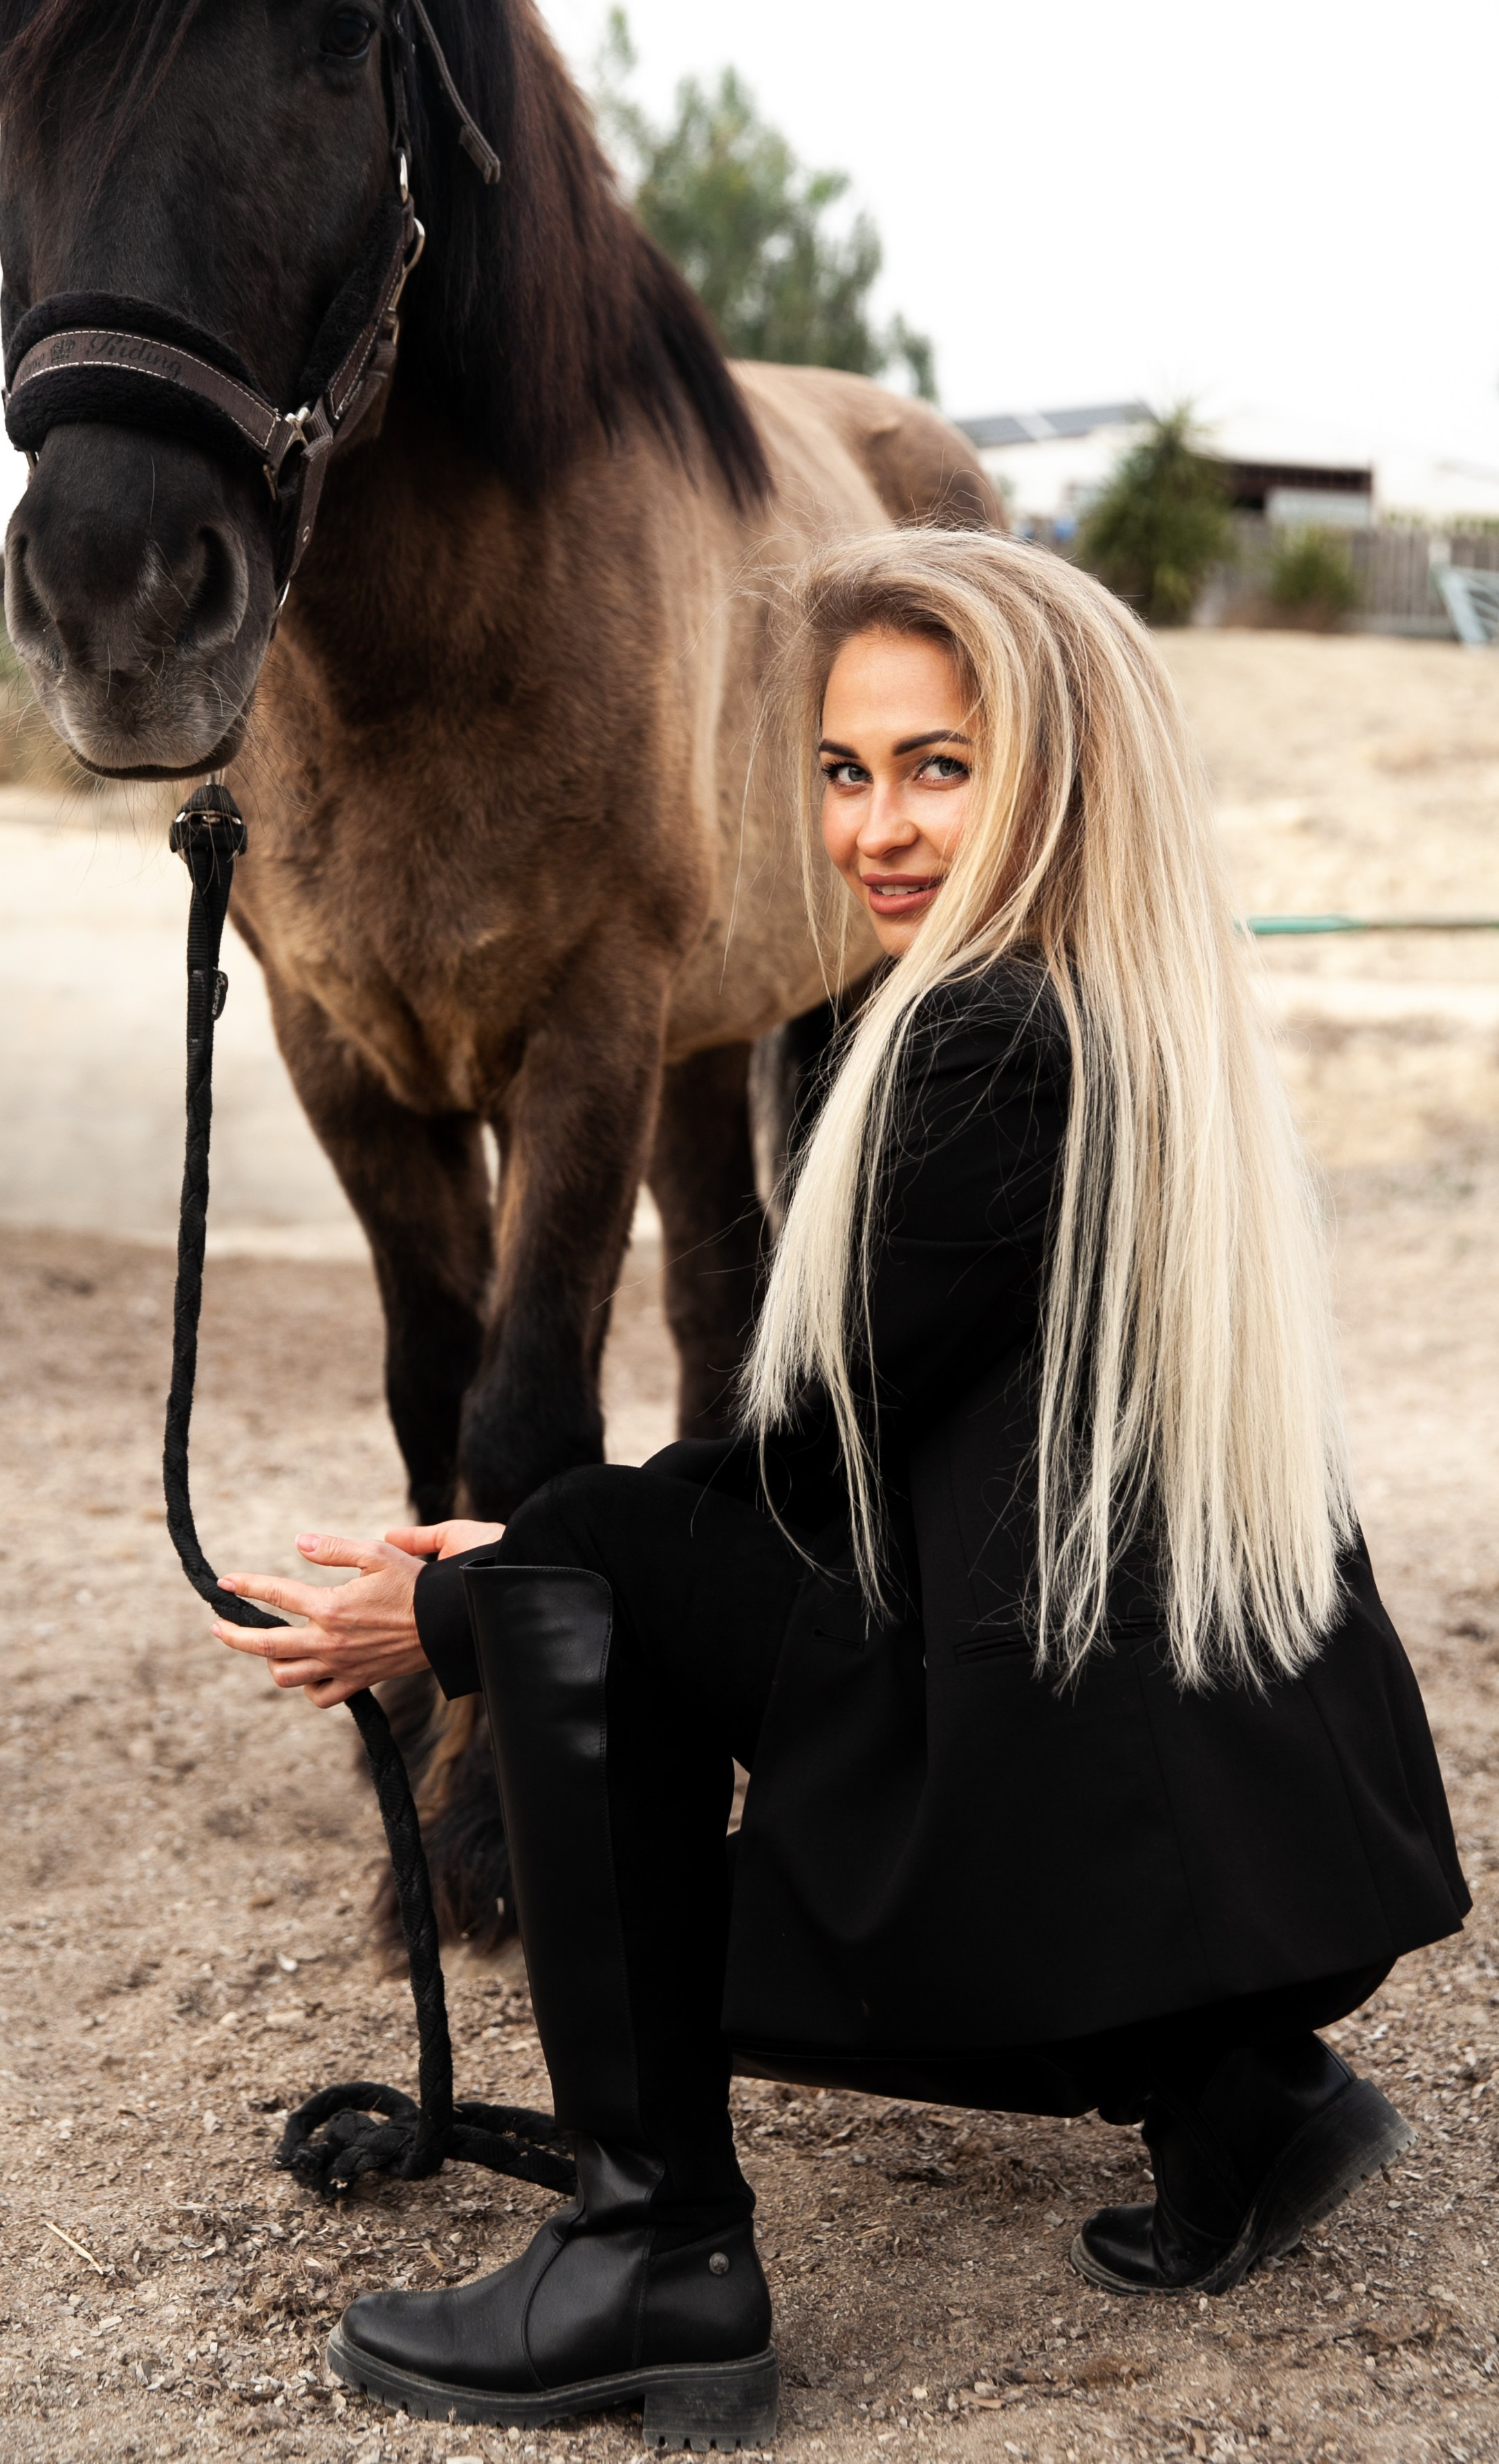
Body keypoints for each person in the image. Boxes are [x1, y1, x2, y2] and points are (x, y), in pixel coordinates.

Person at [212, 532, 1467, 2443]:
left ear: (1059, 776)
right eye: (843, 769)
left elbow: (801, 1478)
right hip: (1234, 1854)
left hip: (1093, 1863)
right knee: (583, 1543)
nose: (878, 828)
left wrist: (478, 1598)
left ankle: (653, 2250)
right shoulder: (1117, 1009)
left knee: (591, 1559)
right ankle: (1244, 2096)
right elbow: (875, 1463)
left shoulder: (982, 1046)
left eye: (939, 767)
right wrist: (516, 1557)